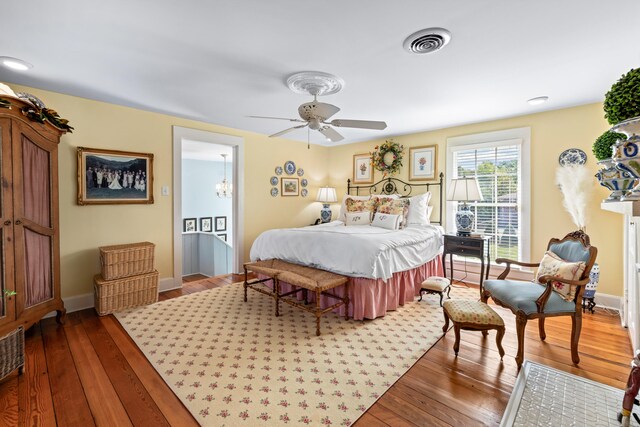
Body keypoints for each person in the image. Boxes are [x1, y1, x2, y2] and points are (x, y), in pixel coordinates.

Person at [619, 350, 640, 426]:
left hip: (630, 394)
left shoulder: (636, 371)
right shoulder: (636, 369)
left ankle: (625, 422)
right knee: (626, 408)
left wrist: (629, 390)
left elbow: (635, 385)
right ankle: (622, 415)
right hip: (630, 393)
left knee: (626, 410)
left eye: (637, 358)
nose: (634, 358)